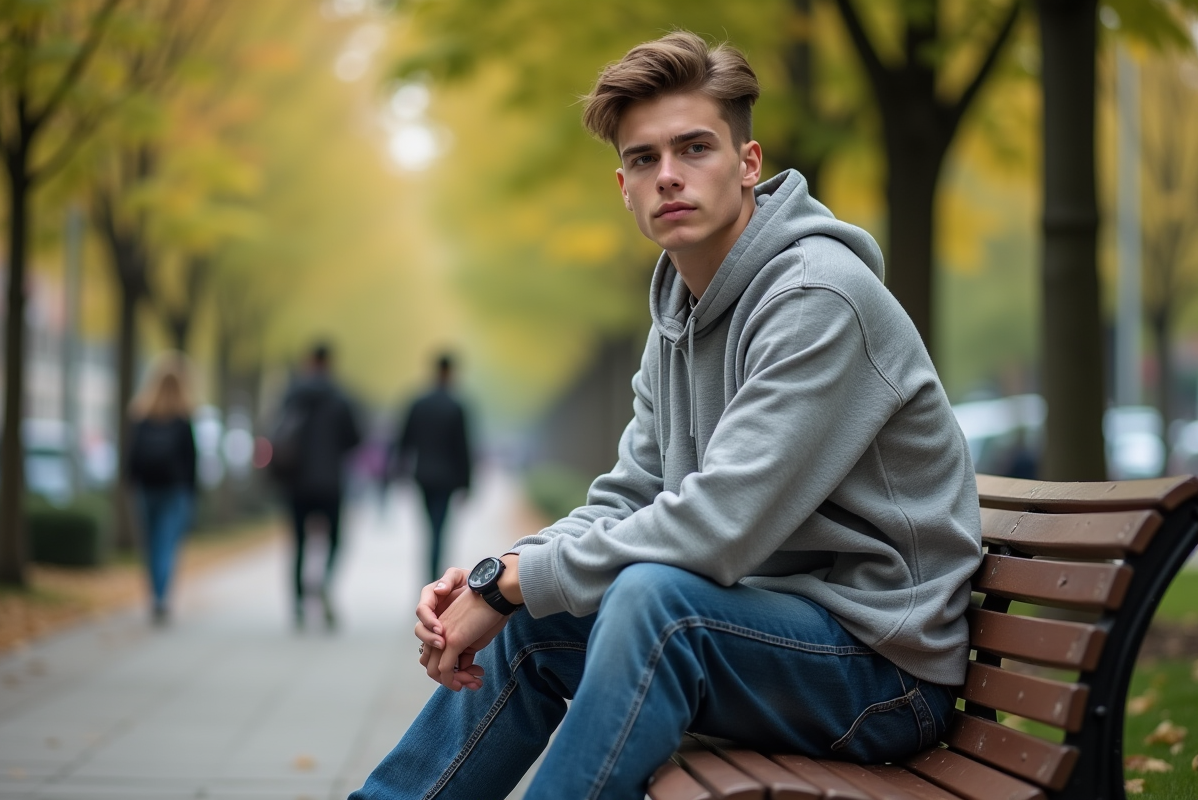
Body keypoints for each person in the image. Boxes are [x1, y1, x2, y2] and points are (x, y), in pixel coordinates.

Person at [351, 31, 981, 800]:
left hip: (883, 673)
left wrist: (513, 582)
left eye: (695, 148)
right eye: (645, 159)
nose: (669, 175)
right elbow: (628, 496)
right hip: (765, 634)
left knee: (651, 600)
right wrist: (497, 575)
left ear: (748, 163)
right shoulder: (679, 314)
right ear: (624, 186)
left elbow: (720, 527)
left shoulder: (816, 298)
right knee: (539, 616)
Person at [276, 342, 361, 628]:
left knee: (299, 542)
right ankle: (324, 581)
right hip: (329, 482)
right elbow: (354, 439)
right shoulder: (340, 397)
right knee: (335, 540)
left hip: (296, 480)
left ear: (309, 361)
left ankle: (298, 603)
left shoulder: (292, 394)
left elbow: (276, 431)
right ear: (329, 362)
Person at [127, 353, 198, 626]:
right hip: (174, 490)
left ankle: (154, 595)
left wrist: (131, 482)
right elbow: (191, 461)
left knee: (150, 544)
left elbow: (132, 456)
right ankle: (161, 598)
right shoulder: (183, 419)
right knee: (166, 543)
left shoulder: (141, 415)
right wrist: (192, 493)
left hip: (146, 488)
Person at [393, 353, 473, 585]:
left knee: (429, 527)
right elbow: (463, 447)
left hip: (423, 475)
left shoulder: (419, 403)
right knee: (439, 528)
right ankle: (435, 576)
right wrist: (467, 482)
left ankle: (430, 575)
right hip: (446, 478)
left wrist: (399, 470)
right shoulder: (456, 406)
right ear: (450, 373)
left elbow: (404, 440)